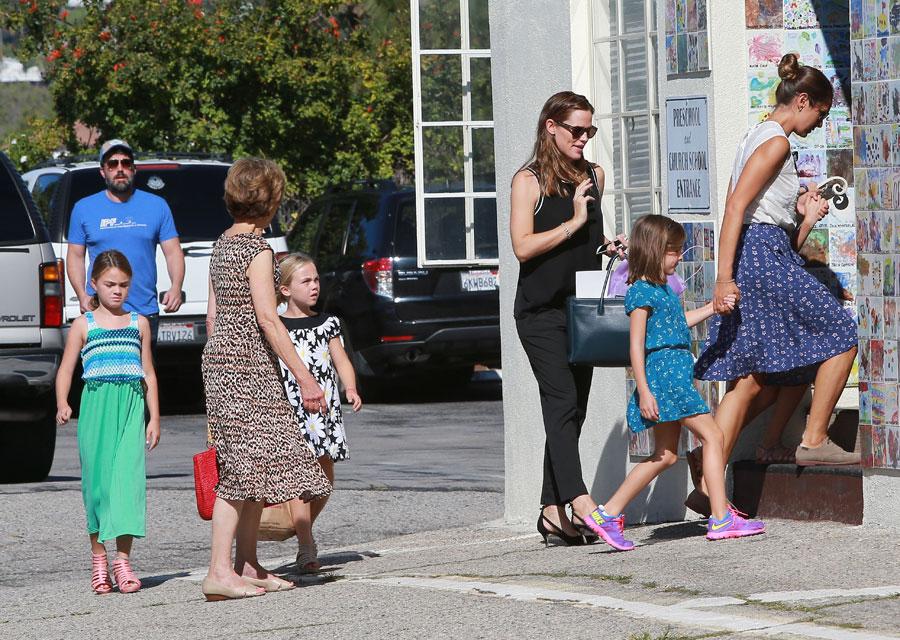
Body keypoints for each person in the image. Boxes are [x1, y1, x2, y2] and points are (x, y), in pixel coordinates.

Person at [689, 53, 859, 512]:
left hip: (761, 254)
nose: (818, 125)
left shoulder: (755, 135)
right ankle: (814, 437)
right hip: (762, 259)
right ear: (802, 100)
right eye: (819, 114)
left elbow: (747, 214)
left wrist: (800, 218)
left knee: (749, 378)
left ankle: (707, 479)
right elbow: (737, 211)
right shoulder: (776, 143)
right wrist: (723, 279)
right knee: (841, 335)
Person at [582, 215, 765, 550]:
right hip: (665, 378)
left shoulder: (662, 288)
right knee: (713, 435)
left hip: (672, 373)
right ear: (655, 251)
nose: (680, 257)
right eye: (674, 251)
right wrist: (645, 392)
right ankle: (721, 516)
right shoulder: (641, 292)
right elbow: (636, 347)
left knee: (665, 455)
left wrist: (712, 308)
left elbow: (678, 324)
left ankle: (607, 513)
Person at [201, 158, 331, 601]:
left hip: (224, 362)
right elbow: (269, 319)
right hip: (247, 367)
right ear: (271, 200)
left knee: (256, 466)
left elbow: (214, 314)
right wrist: (305, 377)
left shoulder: (222, 244)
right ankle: (219, 571)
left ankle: (247, 564)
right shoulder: (258, 253)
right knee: (239, 472)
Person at [510, 91, 627, 546]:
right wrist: (575, 222)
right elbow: (523, 247)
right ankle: (580, 501)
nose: (583, 138)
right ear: (550, 127)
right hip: (539, 313)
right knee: (560, 403)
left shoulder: (595, 175)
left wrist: (606, 246)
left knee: (572, 411)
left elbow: (587, 242)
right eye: (576, 130)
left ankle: (551, 511)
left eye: (589, 131)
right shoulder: (529, 180)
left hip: (583, 310)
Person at [55, 250, 160, 594]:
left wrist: (154, 416)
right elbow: (67, 369)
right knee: (98, 485)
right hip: (97, 406)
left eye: (124, 285)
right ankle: (99, 558)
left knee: (127, 483)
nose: (117, 291)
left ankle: (123, 560)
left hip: (130, 407)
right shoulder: (84, 325)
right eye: (110, 284)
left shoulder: (138, 323)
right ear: (94, 284)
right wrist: (62, 403)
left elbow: (148, 373)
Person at [275, 254, 362, 573]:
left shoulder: (328, 323)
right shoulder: (275, 325)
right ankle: (305, 544)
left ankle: (299, 528)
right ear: (285, 290)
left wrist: (350, 388)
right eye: (305, 281)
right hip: (292, 411)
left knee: (324, 480)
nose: (314, 286)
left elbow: (341, 361)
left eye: (316, 280)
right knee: (301, 479)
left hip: (324, 413)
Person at [67, 139, 185, 345]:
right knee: (101, 376)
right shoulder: (83, 208)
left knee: (143, 374)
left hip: (144, 311)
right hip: (99, 312)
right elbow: (75, 257)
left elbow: (173, 252)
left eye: (126, 163)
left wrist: (176, 287)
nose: (120, 169)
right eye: (113, 164)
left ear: (134, 169)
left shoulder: (157, 206)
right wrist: (82, 296)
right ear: (103, 171)